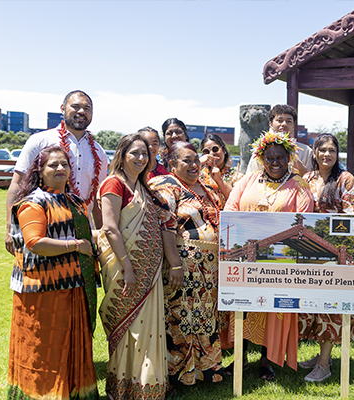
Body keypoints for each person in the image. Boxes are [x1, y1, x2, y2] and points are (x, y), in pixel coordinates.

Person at [222, 130, 314, 380]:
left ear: (289, 158)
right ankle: (240, 358)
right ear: (262, 158)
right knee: (242, 307)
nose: (275, 162)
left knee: (273, 310)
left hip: (281, 260)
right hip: (245, 259)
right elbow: (230, 210)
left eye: (280, 157)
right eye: (270, 157)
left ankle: (266, 360)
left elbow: (305, 220)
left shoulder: (300, 185)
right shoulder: (248, 181)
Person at [8, 145, 99, 400]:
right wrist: (76, 246)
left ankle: (73, 392)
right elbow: (34, 242)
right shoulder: (33, 203)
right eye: (53, 165)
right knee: (43, 350)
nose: (60, 168)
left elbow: (84, 234)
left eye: (64, 164)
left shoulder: (74, 200)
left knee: (71, 345)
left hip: (74, 284)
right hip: (42, 291)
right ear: (39, 171)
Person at [98, 134, 183, 400]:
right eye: (134, 153)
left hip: (150, 270)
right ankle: (123, 387)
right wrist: (128, 269)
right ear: (122, 155)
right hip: (125, 268)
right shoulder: (114, 183)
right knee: (129, 328)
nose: (141, 158)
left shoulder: (144, 188)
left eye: (145, 154)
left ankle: (145, 385)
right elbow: (110, 228)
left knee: (147, 326)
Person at [149, 141, 225, 386]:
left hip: (209, 269)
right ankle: (181, 373)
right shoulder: (167, 186)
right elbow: (166, 225)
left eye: (196, 159)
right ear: (171, 164)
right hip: (185, 266)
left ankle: (206, 369)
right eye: (186, 160)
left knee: (204, 317)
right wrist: (174, 265)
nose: (194, 165)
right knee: (181, 318)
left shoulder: (205, 185)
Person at [5, 90, 108, 254]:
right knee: (44, 277)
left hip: (83, 232)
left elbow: (97, 199)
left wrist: (104, 236)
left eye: (87, 108)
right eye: (75, 106)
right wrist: (11, 228)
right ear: (62, 108)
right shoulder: (40, 141)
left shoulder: (99, 151)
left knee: (82, 279)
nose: (81, 111)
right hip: (44, 228)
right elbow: (17, 183)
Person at [298, 133, 354, 382]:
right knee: (314, 306)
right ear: (314, 152)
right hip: (309, 254)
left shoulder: (345, 180)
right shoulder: (306, 179)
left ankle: (324, 365)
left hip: (336, 255)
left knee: (330, 309)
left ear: (338, 155)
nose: (327, 154)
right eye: (322, 150)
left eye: (332, 151)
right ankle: (320, 355)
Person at [245, 104, 313, 176]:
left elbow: (312, 181)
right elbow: (250, 178)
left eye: (288, 121)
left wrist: (301, 169)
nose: (284, 124)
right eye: (279, 120)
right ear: (270, 124)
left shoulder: (305, 151)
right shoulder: (261, 150)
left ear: (293, 126)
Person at [199, 133, 243, 205]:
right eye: (206, 151)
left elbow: (238, 201)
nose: (211, 154)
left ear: (224, 150)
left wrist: (220, 181)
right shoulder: (197, 175)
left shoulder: (237, 177)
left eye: (215, 149)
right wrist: (198, 163)